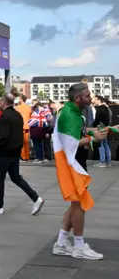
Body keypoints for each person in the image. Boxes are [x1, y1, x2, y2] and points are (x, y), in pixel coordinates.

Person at [51, 84, 107, 260]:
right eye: (87, 95)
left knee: (76, 203)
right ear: (78, 98)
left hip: (75, 163)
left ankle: (61, 243)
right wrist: (92, 138)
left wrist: (96, 131)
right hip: (72, 164)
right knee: (79, 205)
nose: (90, 98)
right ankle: (79, 246)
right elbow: (70, 145)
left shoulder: (72, 113)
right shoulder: (69, 115)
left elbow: (77, 134)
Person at [0, 93, 44, 217]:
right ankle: (35, 198)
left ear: (4, 102)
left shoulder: (5, 116)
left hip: (5, 152)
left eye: (0, 102)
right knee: (15, 177)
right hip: (15, 151)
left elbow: (3, 135)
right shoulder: (17, 114)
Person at [92, 96, 111, 168]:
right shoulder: (106, 108)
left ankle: (102, 162)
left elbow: (97, 120)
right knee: (106, 144)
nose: (93, 101)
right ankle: (108, 162)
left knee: (101, 145)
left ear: (99, 100)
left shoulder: (99, 109)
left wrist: (93, 126)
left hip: (100, 128)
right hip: (106, 127)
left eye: (95, 100)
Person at [15, 95, 32, 161]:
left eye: (19, 98)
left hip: (20, 126)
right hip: (27, 126)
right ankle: (27, 156)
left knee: (21, 142)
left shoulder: (18, 107)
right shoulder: (28, 107)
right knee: (26, 142)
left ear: (21, 99)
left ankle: (23, 156)